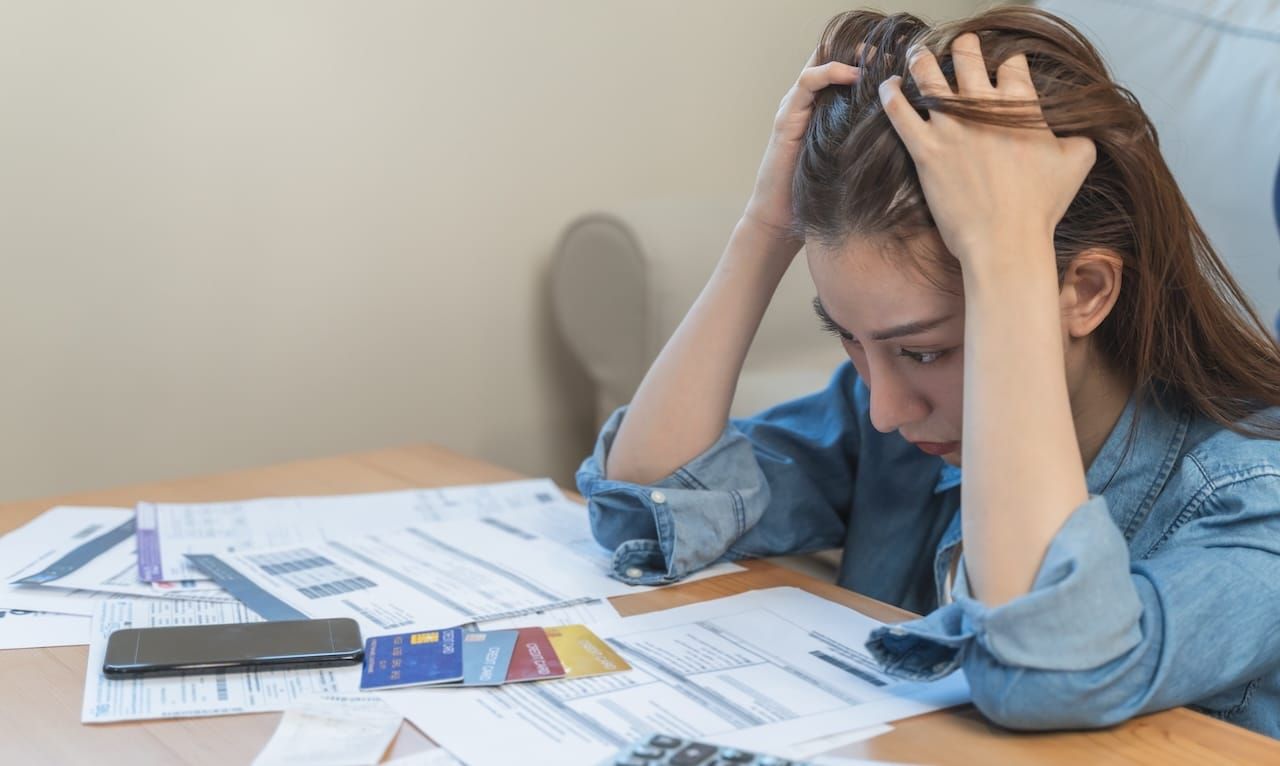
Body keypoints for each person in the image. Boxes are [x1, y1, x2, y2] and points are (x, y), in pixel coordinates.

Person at [575, 6, 1280, 737]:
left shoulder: (1249, 504)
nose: (884, 409)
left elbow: (1043, 672)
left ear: (1088, 291)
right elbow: (646, 506)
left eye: (924, 351)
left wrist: (1009, 257)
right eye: (848, 339)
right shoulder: (886, 422)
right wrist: (763, 229)